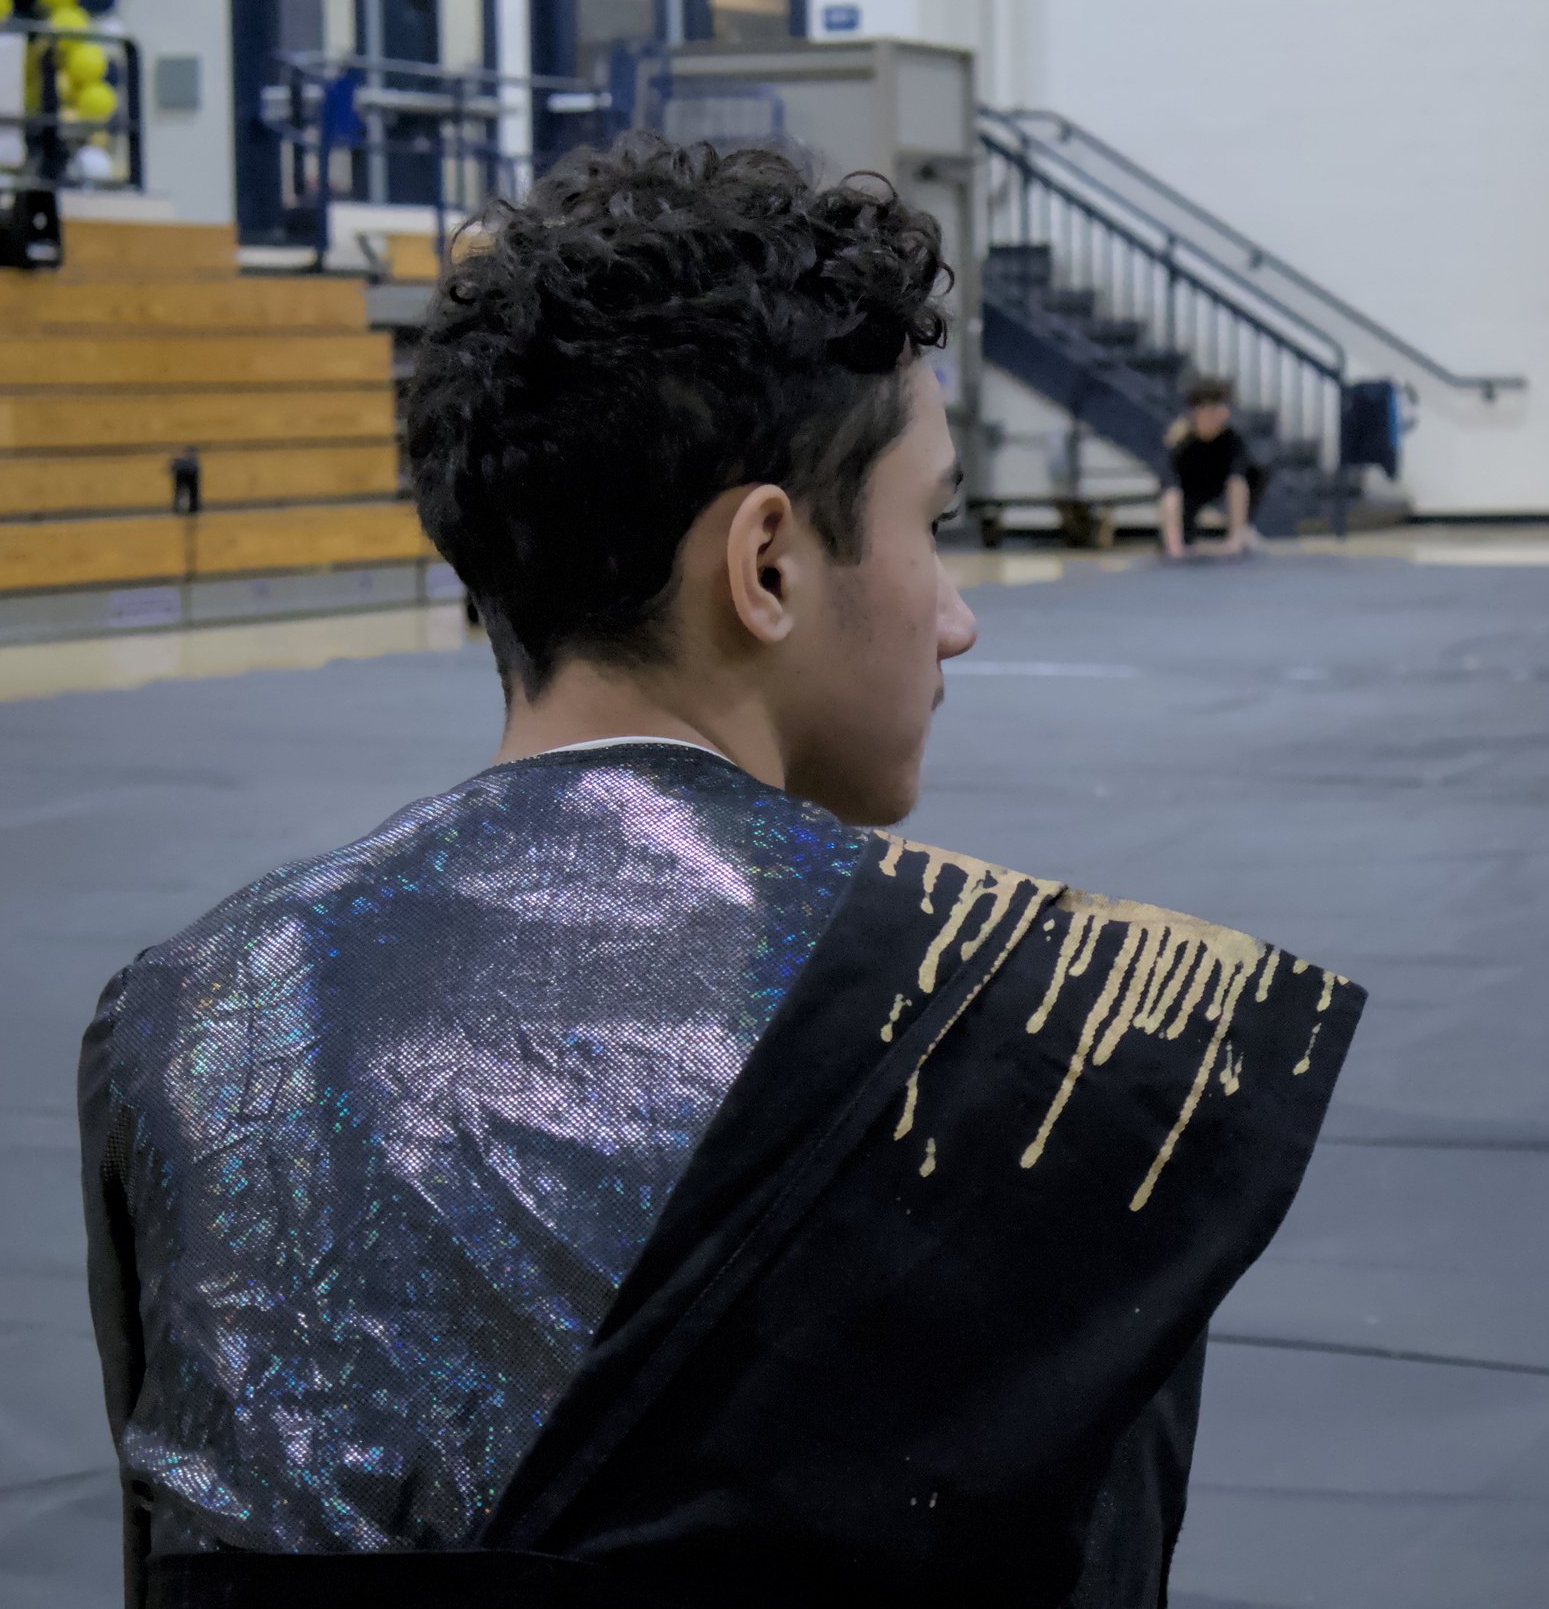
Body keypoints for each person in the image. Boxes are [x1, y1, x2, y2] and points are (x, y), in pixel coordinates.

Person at [76, 137, 1363, 1609]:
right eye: (929, 530)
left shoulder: (192, 1015)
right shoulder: (1054, 1057)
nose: (955, 620)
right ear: (766, 563)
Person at [1159, 379, 1255, 557]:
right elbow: (1168, 482)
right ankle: (1174, 547)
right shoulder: (1181, 441)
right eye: (1216, 409)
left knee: (1238, 484)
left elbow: (1239, 475)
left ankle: (1237, 537)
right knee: (1171, 497)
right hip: (1188, 492)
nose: (1224, 414)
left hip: (1217, 486)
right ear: (1201, 411)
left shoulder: (1231, 438)